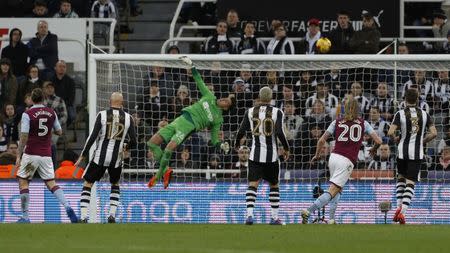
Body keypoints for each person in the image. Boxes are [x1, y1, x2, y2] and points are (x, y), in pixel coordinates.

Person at [147, 56, 235, 189]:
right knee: (152, 143)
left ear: (226, 108)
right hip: (180, 119)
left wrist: (221, 146)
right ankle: (166, 171)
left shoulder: (218, 119)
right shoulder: (210, 96)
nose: (223, 99)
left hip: (189, 126)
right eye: (225, 98)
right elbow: (199, 80)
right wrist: (192, 66)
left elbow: (214, 138)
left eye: (226, 101)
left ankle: (160, 174)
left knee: (168, 149)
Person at [301, 96, 382, 224]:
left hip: (333, 157)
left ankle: (332, 219)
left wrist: (317, 155)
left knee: (338, 188)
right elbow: (378, 141)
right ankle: (308, 211)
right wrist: (374, 149)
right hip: (346, 160)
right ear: (358, 109)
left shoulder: (336, 122)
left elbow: (321, 140)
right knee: (333, 190)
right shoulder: (363, 123)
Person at [15, 88, 78, 223]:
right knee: (51, 183)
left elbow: (24, 135)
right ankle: (67, 206)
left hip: (31, 153)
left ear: (32, 99)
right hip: (46, 154)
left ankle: (25, 217)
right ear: (44, 99)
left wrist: (19, 154)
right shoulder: (51, 112)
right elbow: (60, 131)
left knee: (24, 182)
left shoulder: (28, 114)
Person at [74, 92, 137, 223]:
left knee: (88, 183)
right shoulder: (128, 118)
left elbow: (92, 137)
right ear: (122, 102)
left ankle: (84, 216)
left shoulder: (102, 115)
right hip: (117, 159)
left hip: (100, 157)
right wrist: (125, 147)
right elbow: (134, 141)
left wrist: (83, 155)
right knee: (115, 183)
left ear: (110, 101)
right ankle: (112, 215)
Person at [234, 86, 290, 225]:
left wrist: (236, 143)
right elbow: (279, 132)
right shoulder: (278, 112)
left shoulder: (250, 111)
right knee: (274, 185)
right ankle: (274, 217)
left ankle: (249, 216)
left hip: (255, 156)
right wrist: (286, 148)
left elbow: (241, 131)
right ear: (271, 98)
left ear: (259, 97)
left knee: (253, 184)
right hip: (272, 157)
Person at [387, 89, 437, 224]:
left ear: (405, 99)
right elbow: (434, 133)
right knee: (411, 182)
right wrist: (422, 141)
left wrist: (397, 139)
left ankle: (398, 209)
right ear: (417, 99)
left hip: (402, 152)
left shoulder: (400, 113)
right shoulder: (425, 114)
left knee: (401, 179)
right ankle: (402, 213)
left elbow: (390, 131)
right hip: (416, 153)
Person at [50, 60, 76, 126]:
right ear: (55, 68)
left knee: (71, 116)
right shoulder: (50, 80)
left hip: (67, 104)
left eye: (64, 67)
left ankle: (63, 131)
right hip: (53, 103)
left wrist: (63, 105)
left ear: (66, 69)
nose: (62, 68)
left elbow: (72, 97)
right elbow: (49, 94)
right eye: (60, 66)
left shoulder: (70, 81)